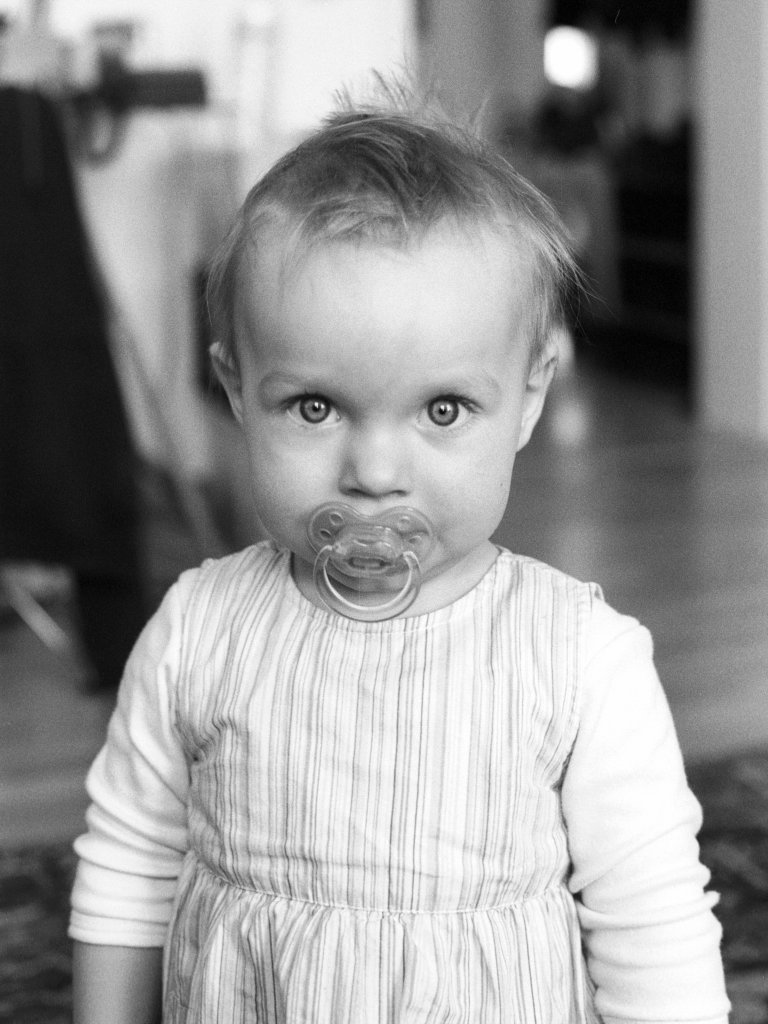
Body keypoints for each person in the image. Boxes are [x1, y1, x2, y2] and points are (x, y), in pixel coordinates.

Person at [69, 83, 731, 1024]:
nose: (375, 472)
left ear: (529, 398)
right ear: (236, 388)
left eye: (443, 409)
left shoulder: (581, 660)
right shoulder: (197, 631)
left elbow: (654, 927)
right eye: (315, 407)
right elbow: (128, 866)